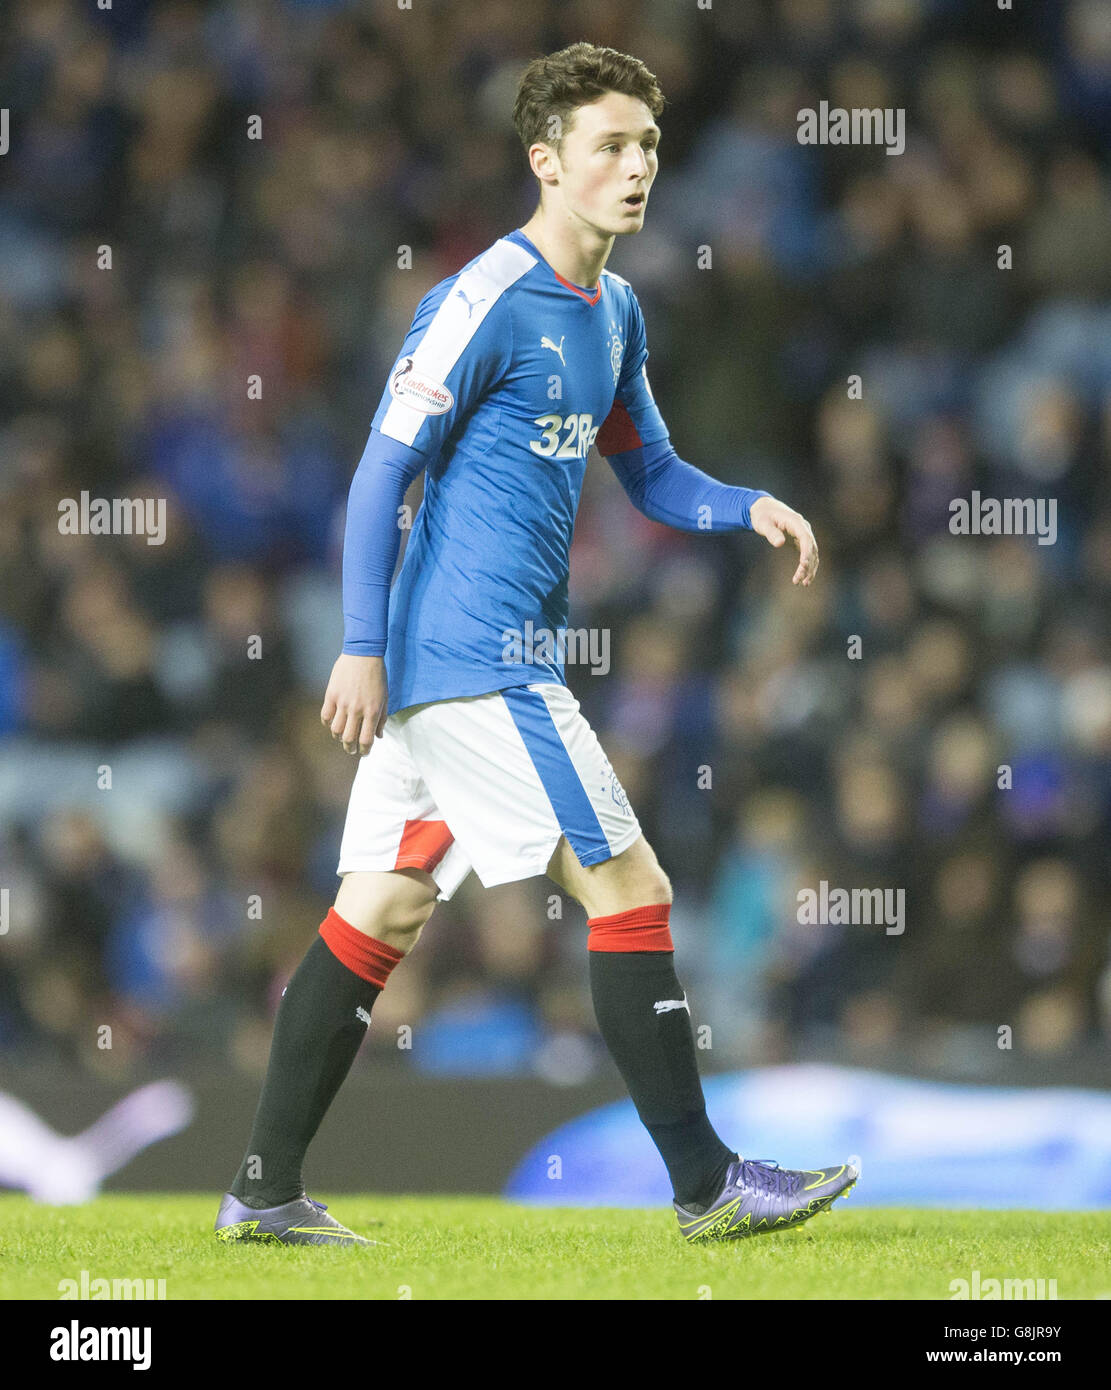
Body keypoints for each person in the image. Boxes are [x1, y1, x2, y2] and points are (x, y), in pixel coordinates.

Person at [215, 41, 856, 1247]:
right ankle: (709, 1184)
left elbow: (651, 471)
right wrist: (359, 642)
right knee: (632, 884)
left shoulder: (612, 309)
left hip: (466, 667)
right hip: (474, 662)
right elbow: (380, 467)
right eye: (610, 145)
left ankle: (260, 1190)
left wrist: (745, 506)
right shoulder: (483, 299)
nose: (636, 167)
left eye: (649, 146)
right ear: (545, 161)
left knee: (380, 911)